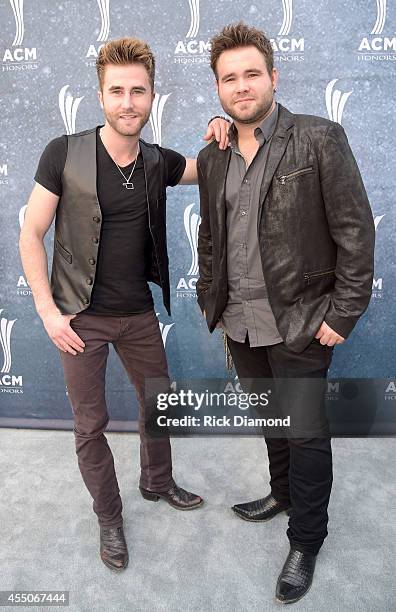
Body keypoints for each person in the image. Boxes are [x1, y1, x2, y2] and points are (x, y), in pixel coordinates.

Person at [19, 37, 229, 572]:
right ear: (101, 96)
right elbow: (31, 232)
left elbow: (211, 168)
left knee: (158, 406)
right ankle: (109, 516)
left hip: (138, 315)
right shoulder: (62, 152)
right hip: (78, 317)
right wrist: (47, 311)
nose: (128, 102)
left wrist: (222, 126)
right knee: (91, 425)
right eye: (117, 91)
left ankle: (157, 483)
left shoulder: (158, 162)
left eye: (139, 91)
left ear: (154, 96)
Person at [196, 23, 375, 604]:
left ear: (274, 76)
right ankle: (282, 494)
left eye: (252, 74)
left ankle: (306, 539)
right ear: (218, 88)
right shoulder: (214, 154)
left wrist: (343, 314)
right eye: (230, 78)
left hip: (301, 321)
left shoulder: (319, 139)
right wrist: (210, 298)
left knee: (305, 434)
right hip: (240, 321)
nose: (241, 86)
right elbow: (212, 240)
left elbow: (355, 234)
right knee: (272, 422)